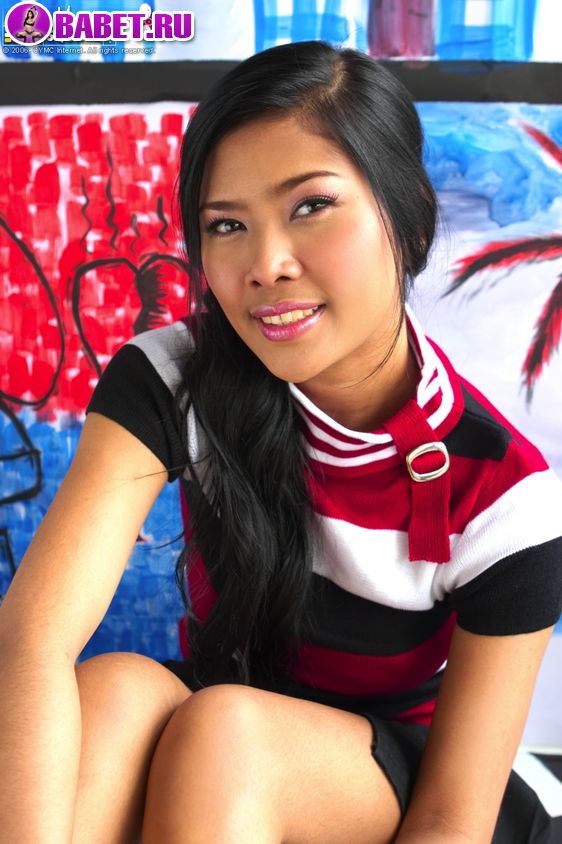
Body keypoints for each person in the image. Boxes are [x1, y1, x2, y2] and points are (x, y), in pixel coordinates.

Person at [1, 40, 561, 844]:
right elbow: (32, 640)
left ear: (406, 217)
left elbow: (450, 819)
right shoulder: (173, 379)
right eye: (227, 224)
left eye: (310, 207)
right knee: (114, 692)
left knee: (227, 737)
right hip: (218, 740)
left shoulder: (507, 499)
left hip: (401, 793)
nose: (264, 265)